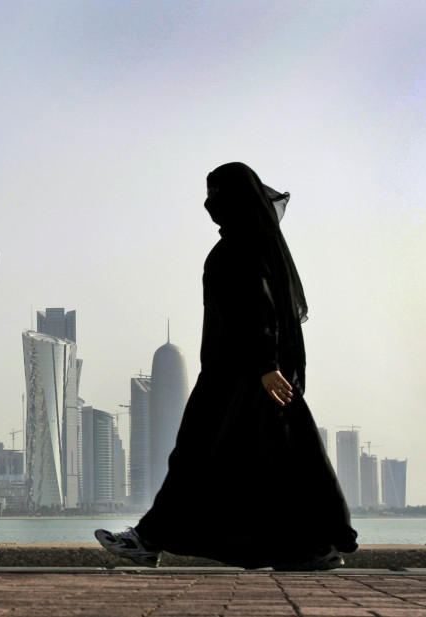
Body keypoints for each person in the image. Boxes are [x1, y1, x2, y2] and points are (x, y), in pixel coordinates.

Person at [96, 162, 358, 570]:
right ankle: (307, 548)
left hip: (245, 376)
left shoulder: (245, 246)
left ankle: (148, 539)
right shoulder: (244, 242)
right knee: (262, 463)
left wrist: (266, 365)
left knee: (200, 456)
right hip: (238, 372)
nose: (209, 204)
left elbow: (261, 308)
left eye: (218, 194)